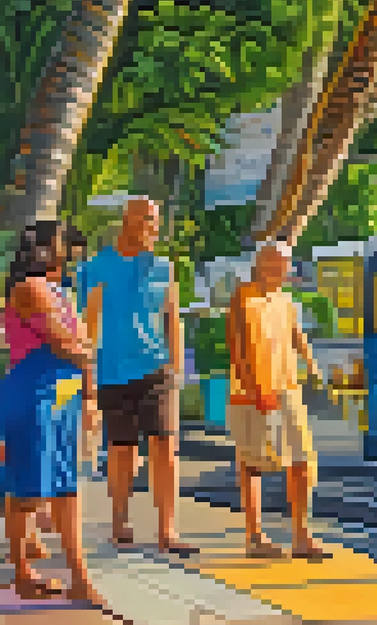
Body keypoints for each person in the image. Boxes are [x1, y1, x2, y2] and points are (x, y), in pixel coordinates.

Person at [77, 198, 196, 555]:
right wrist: (88, 383)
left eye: (156, 221)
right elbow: (89, 325)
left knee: (166, 447)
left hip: (155, 370)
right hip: (111, 372)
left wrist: (176, 368)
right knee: (122, 451)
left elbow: (172, 316)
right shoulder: (96, 268)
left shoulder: (163, 267)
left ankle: (167, 530)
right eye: (147, 220)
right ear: (126, 222)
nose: (154, 228)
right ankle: (119, 521)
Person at [0, 221, 102, 603]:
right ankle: (23, 573)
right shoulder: (28, 289)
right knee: (26, 491)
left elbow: (80, 346)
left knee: (66, 488)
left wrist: (90, 397)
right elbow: (65, 343)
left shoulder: (61, 292)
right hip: (34, 395)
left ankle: (79, 576)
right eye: (62, 241)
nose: (70, 248)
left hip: (63, 395)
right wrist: (84, 348)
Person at [225, 241, 328, 560]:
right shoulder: (243, 296)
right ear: (258, 265)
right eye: (270, 267)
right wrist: (254, 388)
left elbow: (297, 333)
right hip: (252, 391)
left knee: (303, 460)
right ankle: (254, 537)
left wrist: (312, 366)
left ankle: (301, 535)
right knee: (253, 463)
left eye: (281, 268)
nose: (276, 273)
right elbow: (236, 343)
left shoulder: (285, 299)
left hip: (287, 387)